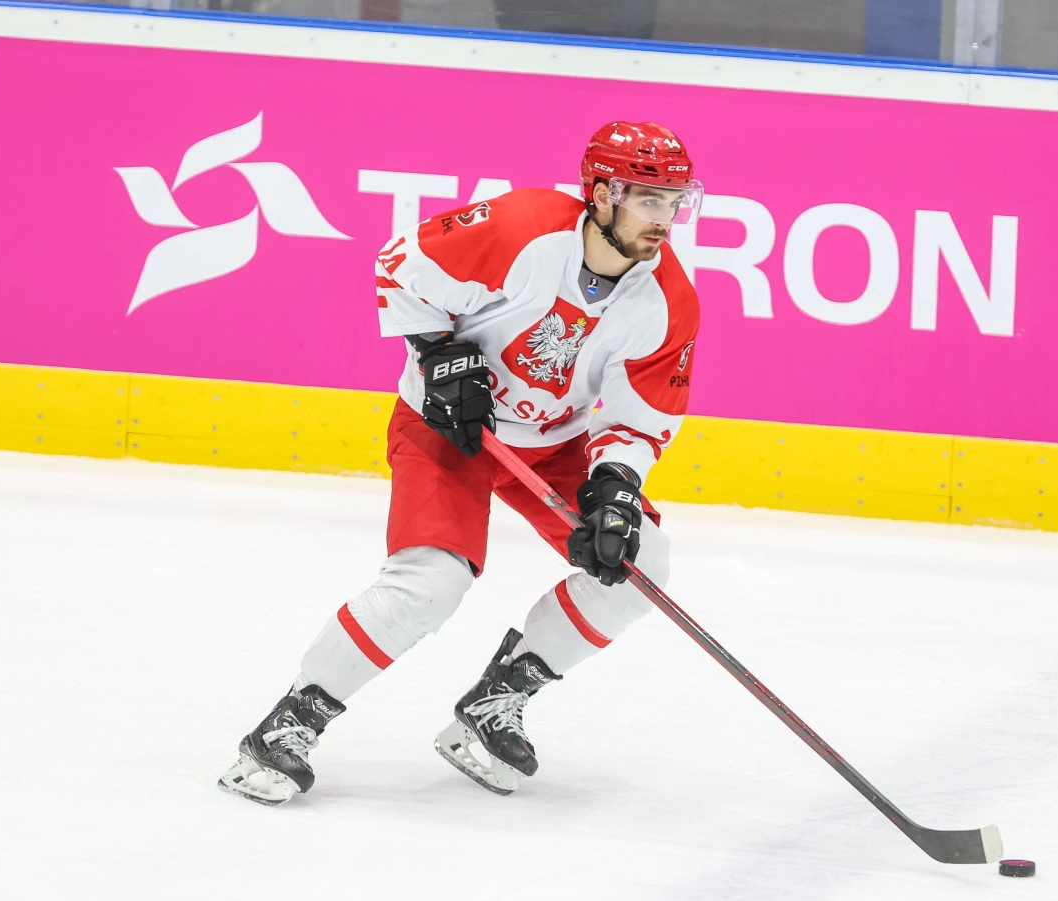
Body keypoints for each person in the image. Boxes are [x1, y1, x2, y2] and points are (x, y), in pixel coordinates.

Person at [218, 121, 702, 805]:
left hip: (551, 445)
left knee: (640, 565)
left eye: (676, 201)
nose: (666, 218)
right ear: (601, 193)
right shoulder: (522, 229)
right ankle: (288, 724)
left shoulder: (668, 300)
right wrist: (439, 351)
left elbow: (637, 418)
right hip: (448, 429)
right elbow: (400, 264)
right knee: (431, 583)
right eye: (650, 199)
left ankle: (497, 700)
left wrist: (617, 483)